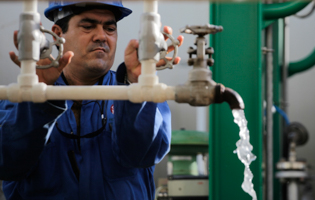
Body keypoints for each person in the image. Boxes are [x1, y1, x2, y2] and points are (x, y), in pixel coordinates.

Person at [0, 1, 183, 199]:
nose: (102, 36)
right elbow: (7, 163)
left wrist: (135, 88)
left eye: (110, 28)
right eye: (88, 26)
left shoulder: (143, 94)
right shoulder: (19, 97)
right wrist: (38, 100)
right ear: (58, 33)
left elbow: (143, 154)